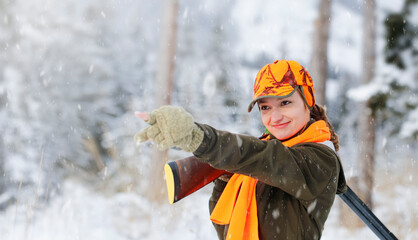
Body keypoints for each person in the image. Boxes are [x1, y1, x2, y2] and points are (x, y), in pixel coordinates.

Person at [135, 59, 347, 240]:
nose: (275, 117)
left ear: (307, 101)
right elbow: (225, 230)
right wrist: (225, 178)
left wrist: (198, 138)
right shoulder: (261, 161)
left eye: (285, 103)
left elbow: (265, 157)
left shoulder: (321, 158)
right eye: (265, 107)